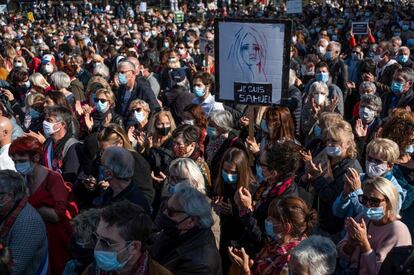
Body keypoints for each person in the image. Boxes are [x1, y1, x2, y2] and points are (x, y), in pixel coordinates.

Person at [9, 135, 74, 274]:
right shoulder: (21, 179)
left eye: (22, 161)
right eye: (14, 162)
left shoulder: (53, 179)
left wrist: (28, 204)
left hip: (55, 239)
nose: (17, 165)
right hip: (31, 236)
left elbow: (58, 215)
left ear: (36, 158)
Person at [337, 177, 412, 274]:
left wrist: (365, 245)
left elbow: (380, 271)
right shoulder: (363, 218)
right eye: (364, 199)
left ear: (389, 202)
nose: (368, 205)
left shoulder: (398, 231)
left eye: (374, 201)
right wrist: (351, 244)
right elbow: (341, 252)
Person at [301, 120, 362, 236]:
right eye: (327, 140)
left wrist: (317, 177)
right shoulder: (323, 157)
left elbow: (332, 197)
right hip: (317, 218)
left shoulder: (351, 169)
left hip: (333, 227)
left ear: (348, 143)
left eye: (334, 141)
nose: (329, 144)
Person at [228, 196, 318, 275]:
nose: (267, 220)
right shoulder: (278, 241)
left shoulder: (289, 263)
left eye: (272, 218)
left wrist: (245, 270)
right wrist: (248, 264)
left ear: (286, 227)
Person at [150, 183, 222, 274]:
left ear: (191, 221)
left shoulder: (201, 265)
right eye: (165, 207)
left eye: (171, 212)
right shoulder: (176, 232)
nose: (164, 213)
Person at [84, 200, 172, 274]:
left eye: (106, 243)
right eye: (95, 237)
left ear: (134, 247)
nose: (97, 248)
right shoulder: (94, 270)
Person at [0, 170, 49, 275]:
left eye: (0, 196)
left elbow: (10, 270)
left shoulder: (28, 223)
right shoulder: (8, 210)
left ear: (12, 195)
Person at [96, 146, 151, 213]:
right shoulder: (111, 191)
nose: (100, 167)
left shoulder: (134, 207)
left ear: (108, 173)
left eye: (102, 164)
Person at [42, 106, 81, 183]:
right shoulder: (48, 142)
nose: (45, 123)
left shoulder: (72, 146)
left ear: (62, 124)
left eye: (49, 120)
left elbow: (70, 178)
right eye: (45, 120)